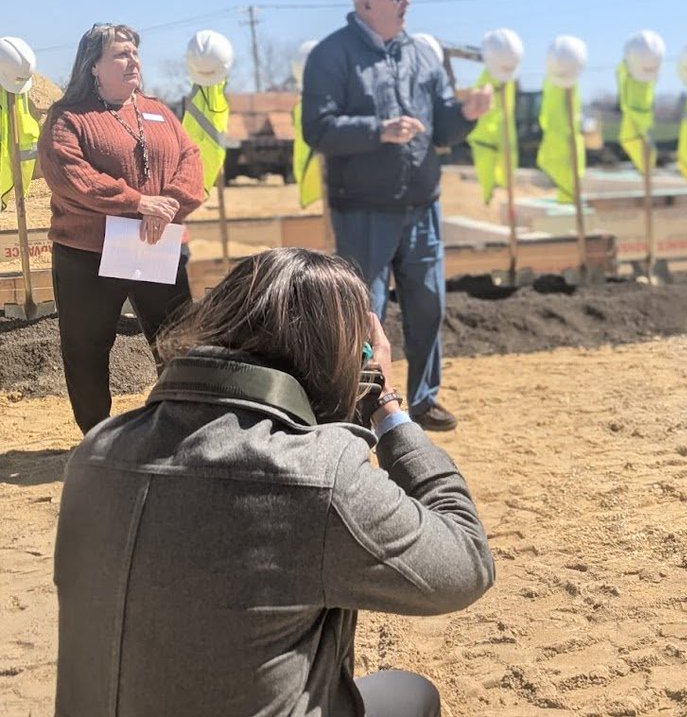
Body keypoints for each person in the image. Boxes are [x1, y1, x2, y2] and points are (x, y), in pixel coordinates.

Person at [54, 247, 495, 717]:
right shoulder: (318, 475)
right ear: (347, 358)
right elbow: (467, 563)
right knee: (411, 693)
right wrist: (385, 403)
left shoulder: (96, 453)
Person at [302, 0, 494, 432]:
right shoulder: (331, 55)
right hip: (363, 209)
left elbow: (442, 129)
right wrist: (378, 130)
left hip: (422, 205)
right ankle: (366, 403)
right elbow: (317, 129)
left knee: (429, 304)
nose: (407, 2)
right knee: (367, 314)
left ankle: (424, 400)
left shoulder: (423, 55)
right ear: (367, 2)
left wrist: (466, 115)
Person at [38, 23, 205, 433]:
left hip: (158, 244)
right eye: (120, 54)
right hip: (89, 253)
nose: (133, 61)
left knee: (177, 342)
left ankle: (178, 430)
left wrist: (168, 204)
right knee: (87, 348)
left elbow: (191, 159)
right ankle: (96, 436)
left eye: (135, 52)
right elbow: (70, 176)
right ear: (93, 65)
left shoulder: (158, 111)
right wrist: (138, 202)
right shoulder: (68, 117)